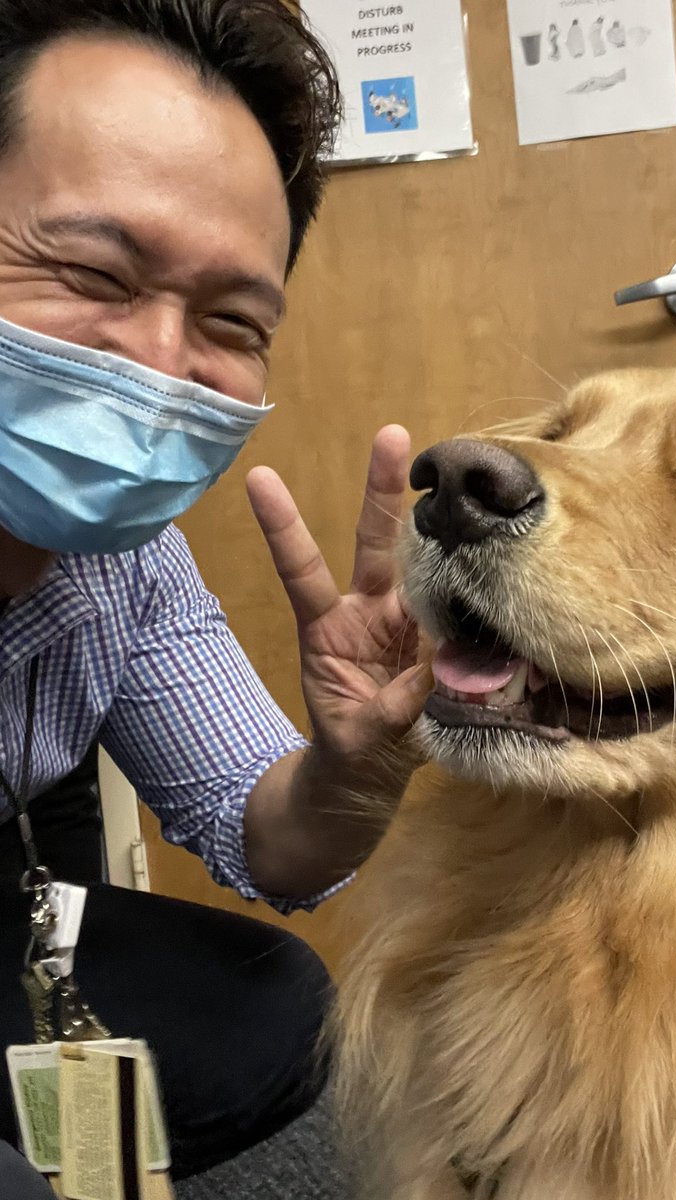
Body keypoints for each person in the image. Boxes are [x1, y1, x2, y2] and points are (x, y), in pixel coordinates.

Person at [0, 1, 433, 1194]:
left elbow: (271, 841)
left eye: (231, 323)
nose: (157, 360)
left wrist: (357, 766)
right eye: (93, 270)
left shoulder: (126, 564)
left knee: (273, 1008)